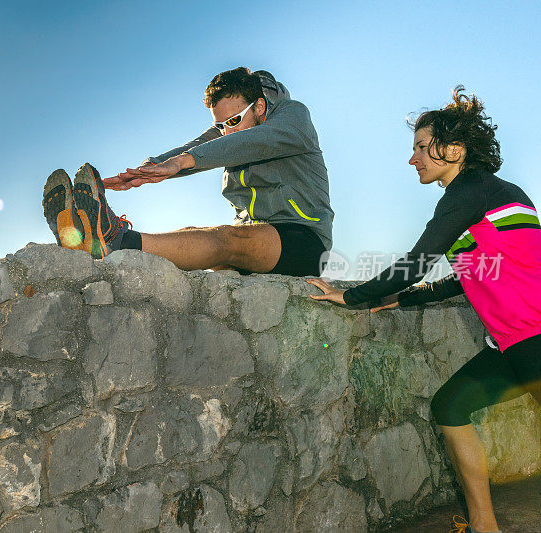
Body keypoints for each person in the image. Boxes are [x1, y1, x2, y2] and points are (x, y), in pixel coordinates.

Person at [307, 86, 541, 533]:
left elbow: (416, 261)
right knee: (450, 407)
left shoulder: (468, 192)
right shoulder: (492, 194)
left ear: (453, 150)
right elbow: (471, 271)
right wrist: (401, 298)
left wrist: (353, 295)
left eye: (420, 148)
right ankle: (484, 525)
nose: (412, 159)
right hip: (512, 343)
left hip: (535, 336)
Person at [42, 67, 334, 276]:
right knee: (193, 234)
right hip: (256, 239)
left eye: (232, 121)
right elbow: (197, 145)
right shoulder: (233, 126)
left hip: (304, 240)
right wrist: (147, 170)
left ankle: (116, 240)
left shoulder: (292, 117)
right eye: (221, 126)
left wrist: (183, 162)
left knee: (225, 240)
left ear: (259, 106)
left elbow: (253, 142)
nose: (226, 132)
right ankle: (93, 242)